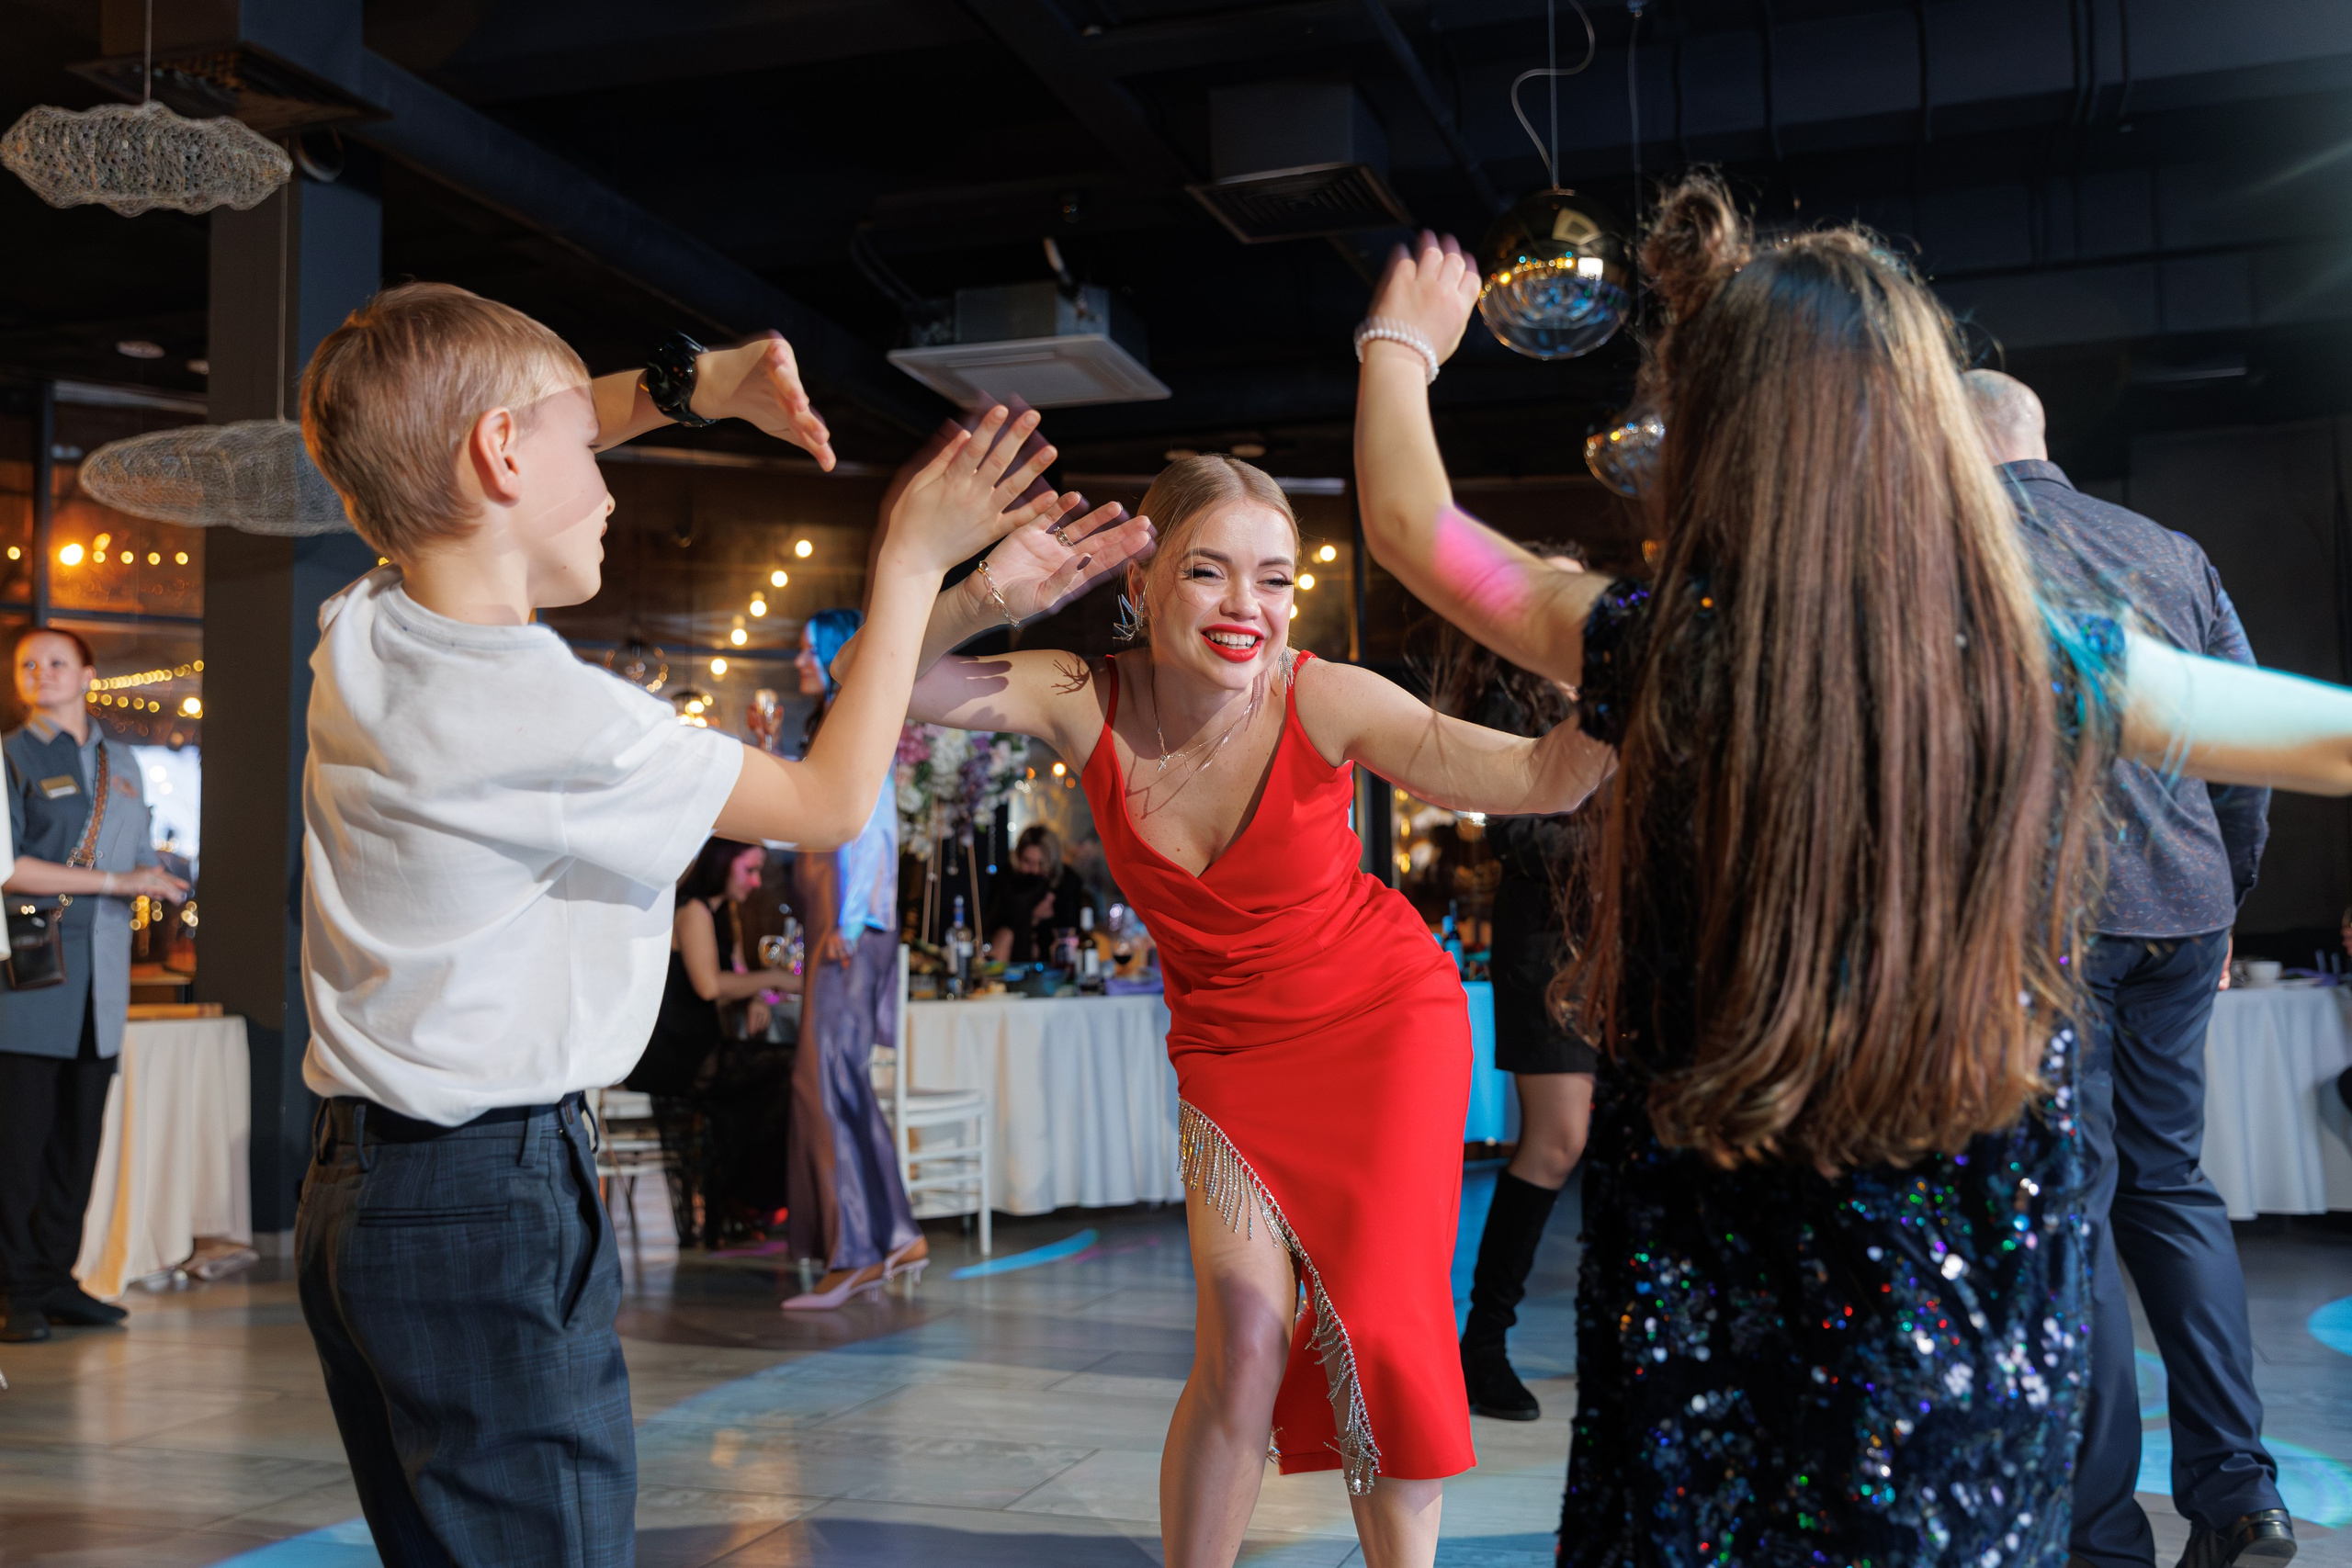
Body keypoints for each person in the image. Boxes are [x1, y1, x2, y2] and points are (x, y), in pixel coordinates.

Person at [1349, 186, 2352, 1565]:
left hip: (1707, 1277)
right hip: (1970, 1304)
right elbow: (2330, 735)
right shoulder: (2040, 657)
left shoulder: (1659, 644)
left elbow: (1412, 528)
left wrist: (1400, 346)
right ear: (1926, 429)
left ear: (1722, 432)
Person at [292, 279, 1077, 1567]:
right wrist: (912, 559)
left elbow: (486, 437)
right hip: (484, 1204)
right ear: (500, 453)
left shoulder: (367, 632)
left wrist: (689, 387)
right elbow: (828, 800)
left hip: (367, 1199)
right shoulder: (547, 713)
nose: (605, 476)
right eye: (575, 445)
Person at [835, 452, 1612, 1568]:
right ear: (1140, 583)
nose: (1248, 608)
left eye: (1275, 579)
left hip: (1384, 1023)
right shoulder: (1076, 695)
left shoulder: (1322, 693)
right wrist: (984, 598)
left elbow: (1540, 778)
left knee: (1383, 1332)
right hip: (1228, 1053)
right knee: (1242, 1336)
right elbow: (871, 674)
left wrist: (1628, 680)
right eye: (1209, 572)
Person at [1965, 368, 2290, 1568]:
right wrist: (2225, 896)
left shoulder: (1951, 555)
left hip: (2048, 923)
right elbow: (2245, 739)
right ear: (2039, 437)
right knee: (2173, 1184)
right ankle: (2241, 1495)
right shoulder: (2169, 547)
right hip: (2185, 911)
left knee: (2077, 1204)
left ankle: (2102, 1533)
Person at [1430, 547, 1600, 1423]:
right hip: (1551, 944)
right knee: (1557, 1140)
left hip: (1628, 944)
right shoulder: (1507, 703)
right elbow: (1516, 843)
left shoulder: (1614, 693)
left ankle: (1614, 1338)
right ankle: (1482, 1343)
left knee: (1621, 1142)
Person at [0, 627, 188, 1345]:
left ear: (87, 673)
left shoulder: (123, 761)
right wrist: (118, 880)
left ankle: (54, 1276)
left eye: (55, 662)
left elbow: (135, 853)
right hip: (29, 973)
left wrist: (163, 872)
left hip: (102, 981)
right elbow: (7, 865)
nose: (41, 672)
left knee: (78, 1141)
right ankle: (15, 1287)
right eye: (27, 664)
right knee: (18, 1147)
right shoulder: (10, 756)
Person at [783, 606, 925, 1310]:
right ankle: (894, 1231)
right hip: (846, 922)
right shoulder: (841, 720)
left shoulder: (854, 719)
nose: (799, 661)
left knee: (821, 1081)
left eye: (809, 648)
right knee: (841, 1079)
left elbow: (867, 826)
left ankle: (855, 1251)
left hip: (847, 925)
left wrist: (843, 917)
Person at [629, 835, 797, 1249]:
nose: (757, 882)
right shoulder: (694, 910)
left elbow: (734, 979)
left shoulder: (724, 914)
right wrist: (776, 979)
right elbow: (709, 987)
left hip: (699, 1044)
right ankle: (749, 1196)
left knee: (779, 1073)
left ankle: (747, 1195)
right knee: (785, 1069)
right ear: (723, 864)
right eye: (750, 870)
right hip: (675, 1050)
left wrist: (757, 994)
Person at [987, 823, 1092, 964]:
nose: (1035, 870)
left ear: (1052, 862)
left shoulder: (1067, 882)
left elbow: (1072, 930)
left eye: (1041, 864)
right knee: (1005, 934)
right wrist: (1032, 916)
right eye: (1027, 862)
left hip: (1053, 955)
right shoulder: (1006, 880)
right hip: (1015, 953)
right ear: (1018, 857)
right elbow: (992, 925)